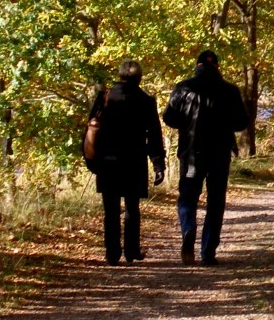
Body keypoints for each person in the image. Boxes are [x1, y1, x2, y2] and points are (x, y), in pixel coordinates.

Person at [162, 50, 249, 266]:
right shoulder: (230, 90)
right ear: (217, 67)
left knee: (187, 197)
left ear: (197, 65)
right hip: (219, 152)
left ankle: (188, 228)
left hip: (191, 151)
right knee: (216, 201)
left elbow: (169, 118)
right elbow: (241, 122)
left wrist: (187, 124)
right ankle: (208, 251)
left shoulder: (183, 88)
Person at [89, 60, 165, 266]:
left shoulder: (104, 97)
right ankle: (131, 250)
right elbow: (154, 136)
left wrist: (91, 160)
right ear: (139, 78)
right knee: (132, 208)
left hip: (108, 162)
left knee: (110, 209)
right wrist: (158, 164)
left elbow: (91, 129)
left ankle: (112, 253)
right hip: (134, 161)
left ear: (120, 75)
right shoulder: (146, 101)